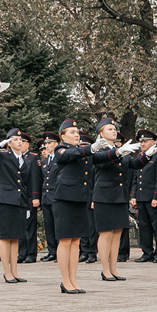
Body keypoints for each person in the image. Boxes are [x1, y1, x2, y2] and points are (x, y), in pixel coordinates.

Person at [92, 118, 157, 281]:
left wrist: (147, 156)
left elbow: (134, 164)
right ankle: (105, 269)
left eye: (114, 129)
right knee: (106, 233)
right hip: (105, 196)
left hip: (120, 196)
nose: (113, 131)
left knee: (117, 233)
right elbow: (102, 163)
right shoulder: (98, 149)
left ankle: (113, 268)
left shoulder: (120, 148)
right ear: (101, 133)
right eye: (109, 129)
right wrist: (118, 152)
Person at [53, 119, 106, 294]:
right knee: (65, 240)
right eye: (72, 132)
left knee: (76, 241)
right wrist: (91, 148)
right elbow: (70, 156)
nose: (76, 135)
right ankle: (64, 280)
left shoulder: (81, 152)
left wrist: (118, 152)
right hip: (65, 200)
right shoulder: (60, 149)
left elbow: (100, 157)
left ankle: (73, 280)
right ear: (63, 136)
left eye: (77, 132)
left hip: (80, 199)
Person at [0, 129, 36, 283]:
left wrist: (28, 205)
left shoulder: (26, 160)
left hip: (20, 201)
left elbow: (27, 184)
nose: (19, 142)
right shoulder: (3, 156)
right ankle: (7, 272)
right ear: (8, 143)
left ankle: (15, 271)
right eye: (15, 139)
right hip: (6, 201)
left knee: (16, 238)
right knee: (6, 237)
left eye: (21, 140)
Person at [130, 129, 157, 263]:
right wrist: (134, 195)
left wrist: (156, 197)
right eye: (141, 142)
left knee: (156, 226)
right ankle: (147, 252)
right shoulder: (140, 156)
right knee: (144, 226)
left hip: (152, 197)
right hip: (141, 196)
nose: (142, 144)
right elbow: (135, 177)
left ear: (153, 142)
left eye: (145, 141)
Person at [17, 133, 41, 263]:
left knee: (29, 226)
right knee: (20, 226)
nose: (20, 144)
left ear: (27, 144)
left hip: (29, 197)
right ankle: (22, 253)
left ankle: (31, 253)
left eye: (23, 142)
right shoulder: (15, 158)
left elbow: (35, 178)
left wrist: (35, 196)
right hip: (19, 197)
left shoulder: (32, 158)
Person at [39, 131, 60, 262]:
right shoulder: (45, 161)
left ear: (56, 144)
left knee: (58, 225)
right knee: (49, 225)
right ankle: (52, 251)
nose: (47, 145)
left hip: (56, 196)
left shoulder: (59, 158)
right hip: (46, 197)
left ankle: (60, 252)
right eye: (45, 143)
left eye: (50, 143)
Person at [79, 131, 98, 264]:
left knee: (91, 227)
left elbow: (94, 181)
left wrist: (92, 198)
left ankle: (92, 252)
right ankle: (83, 251)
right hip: (79, 197)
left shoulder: (92, 160)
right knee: (81, 227)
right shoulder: (77, 159)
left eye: (84, 146)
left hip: (90, 196)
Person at [115, 132, 131, 263]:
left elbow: (131, 178)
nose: (116, 144)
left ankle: (122, 252)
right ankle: (113, 252)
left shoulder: (126, 158)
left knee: (122, 226)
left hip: (123, 194)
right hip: (110, 195)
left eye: (118, 142)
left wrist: (131, 195)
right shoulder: (106, 156)